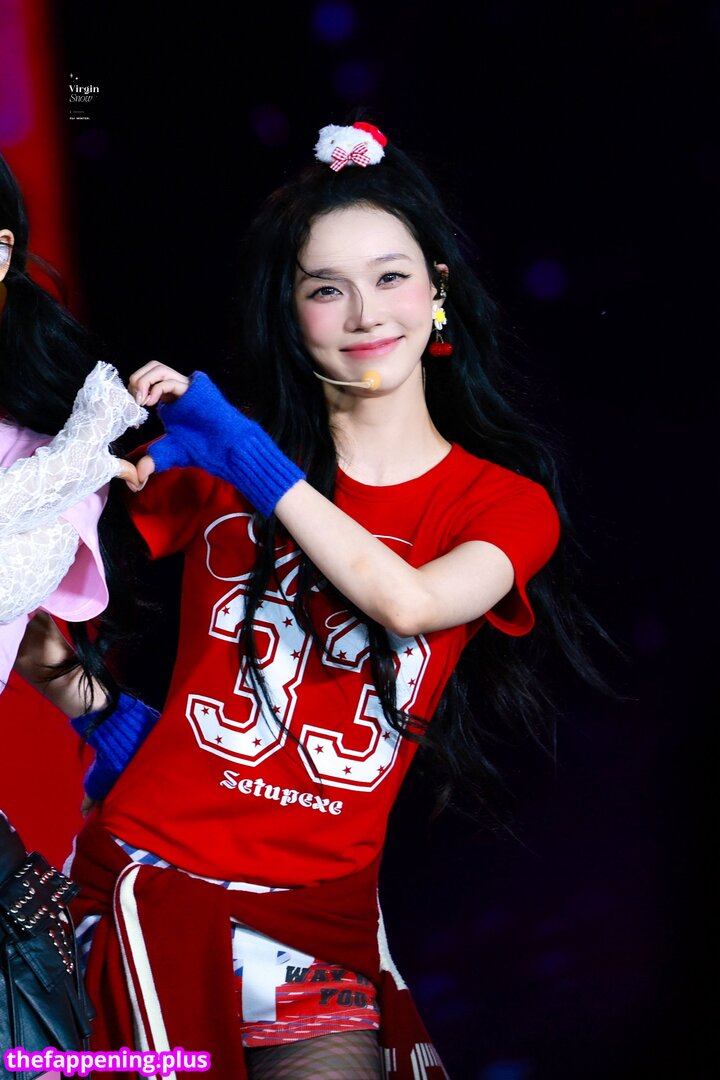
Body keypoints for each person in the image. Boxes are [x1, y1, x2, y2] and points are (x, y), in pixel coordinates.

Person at [64, 120, 601, 1080]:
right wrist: (103, 715)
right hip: (144, 881)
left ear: (437, 291)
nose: (364, 314)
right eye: (325, 288)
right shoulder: (219, 459)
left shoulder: (502, 504)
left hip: (317, 917)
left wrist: (249, 457)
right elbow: (29, 593)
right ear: (291, 311)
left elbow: (408, 603)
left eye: (391, 277)